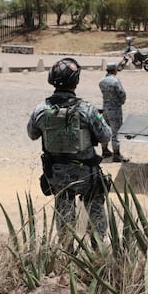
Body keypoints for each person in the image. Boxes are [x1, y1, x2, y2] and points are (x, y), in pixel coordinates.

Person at [27, 57, 113, 249]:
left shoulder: (42, 109)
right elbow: (106, 136)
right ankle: (98, 252)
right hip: (87, 174)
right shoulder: (86, 109)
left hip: (57, 175)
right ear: (76, 81)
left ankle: (67, 254)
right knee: (96, 211)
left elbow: (32, 134)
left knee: (64, 216)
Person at [99, 62, 129, 162]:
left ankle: (104, 151)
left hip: (105, 108)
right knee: (116, 132)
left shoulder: (102, 81)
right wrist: (121, 101)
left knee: (105, 130)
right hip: (115, 109)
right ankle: (116, 154)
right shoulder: (115, 81)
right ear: (114, 70)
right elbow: (122, 94)